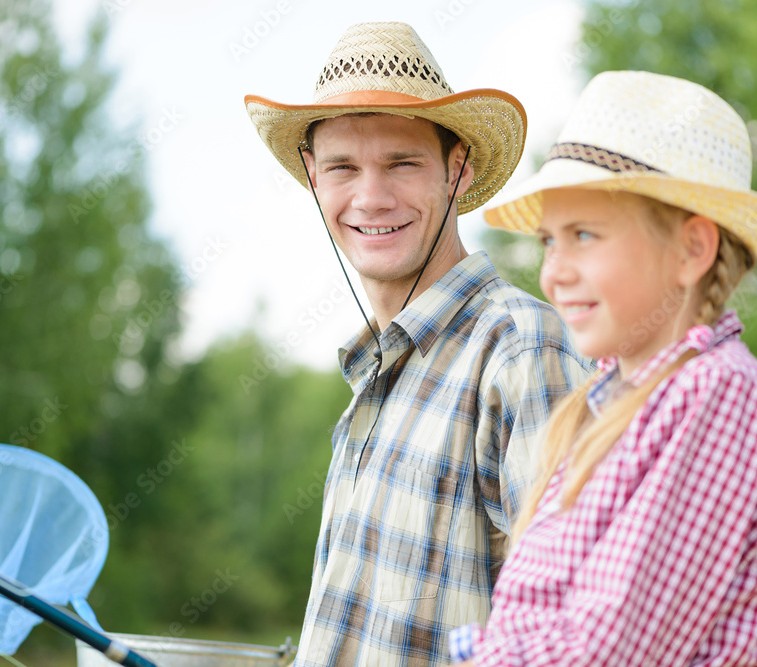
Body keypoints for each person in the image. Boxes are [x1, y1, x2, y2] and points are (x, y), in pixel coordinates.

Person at [448, 70, 757, 666]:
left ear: (692, 250)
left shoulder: (722, 396)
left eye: (585, 235)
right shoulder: (612, 401)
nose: (554, 272)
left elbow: (607, 651)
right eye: (549, 241)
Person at [245, 21, 591, 667]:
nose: (371, 197)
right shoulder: (378, 370)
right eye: (344, 166)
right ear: (312, 175)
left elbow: (576, 630)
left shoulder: (519, 351)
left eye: (402, 163)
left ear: (456, 172)